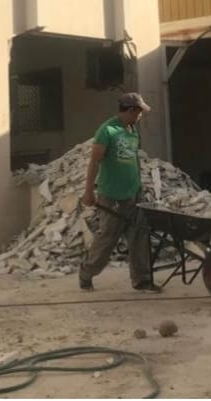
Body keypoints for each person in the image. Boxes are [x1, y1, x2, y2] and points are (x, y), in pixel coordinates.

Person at [78, 92, 159, 293]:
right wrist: (89, 192)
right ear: (131, 110)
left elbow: (134, 159)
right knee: (107, 240)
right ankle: (86, 273)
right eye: (139, 112)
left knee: (139, 236)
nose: (141, 116)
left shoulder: (132, 130)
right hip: (112, 197)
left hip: (134, 195)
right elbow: (94, 162)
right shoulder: (107, 131)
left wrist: (140, 185)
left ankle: (142, 281)